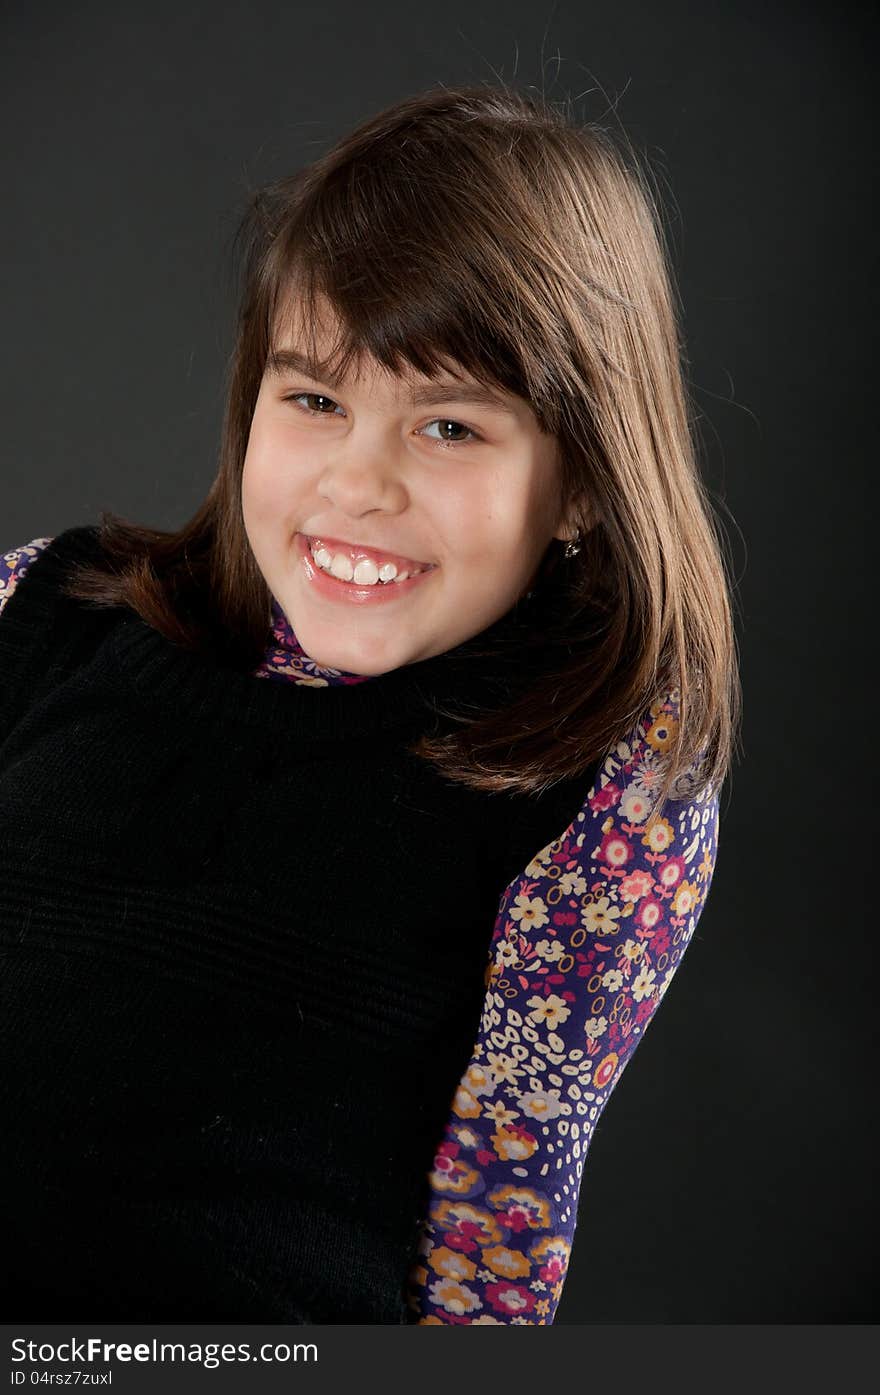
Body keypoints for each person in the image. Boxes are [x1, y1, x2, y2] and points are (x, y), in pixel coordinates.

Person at [0, 81, 740, 1324]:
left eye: (448, 426)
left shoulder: (604, 789)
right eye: (314, 400)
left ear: (581, 490)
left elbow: (492, 1244)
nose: (359, 483)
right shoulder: (38, 609)